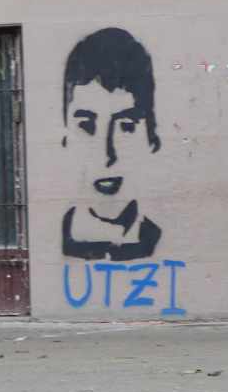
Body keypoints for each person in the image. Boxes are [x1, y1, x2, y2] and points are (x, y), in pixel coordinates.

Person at [60, 28, 164, 261]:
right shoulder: (61, 243)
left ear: (151, 140)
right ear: (65, 139)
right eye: (86, 125)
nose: (106, 155)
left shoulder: (153, 238)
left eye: (126, 125)